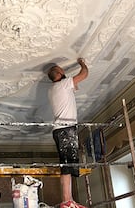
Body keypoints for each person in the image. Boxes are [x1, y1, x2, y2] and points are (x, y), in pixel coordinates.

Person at [47, 58, 89, 208]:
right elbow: (84, 74)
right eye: (62, 70)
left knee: (69, 164)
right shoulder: (62, 84)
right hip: (65, 130)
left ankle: (69, 199)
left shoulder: (54, 89)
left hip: (63, 130)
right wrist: (81, 63)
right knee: (66, 164)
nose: (64, 71)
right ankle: (66, 201)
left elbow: (74, 86)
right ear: (58, 73)